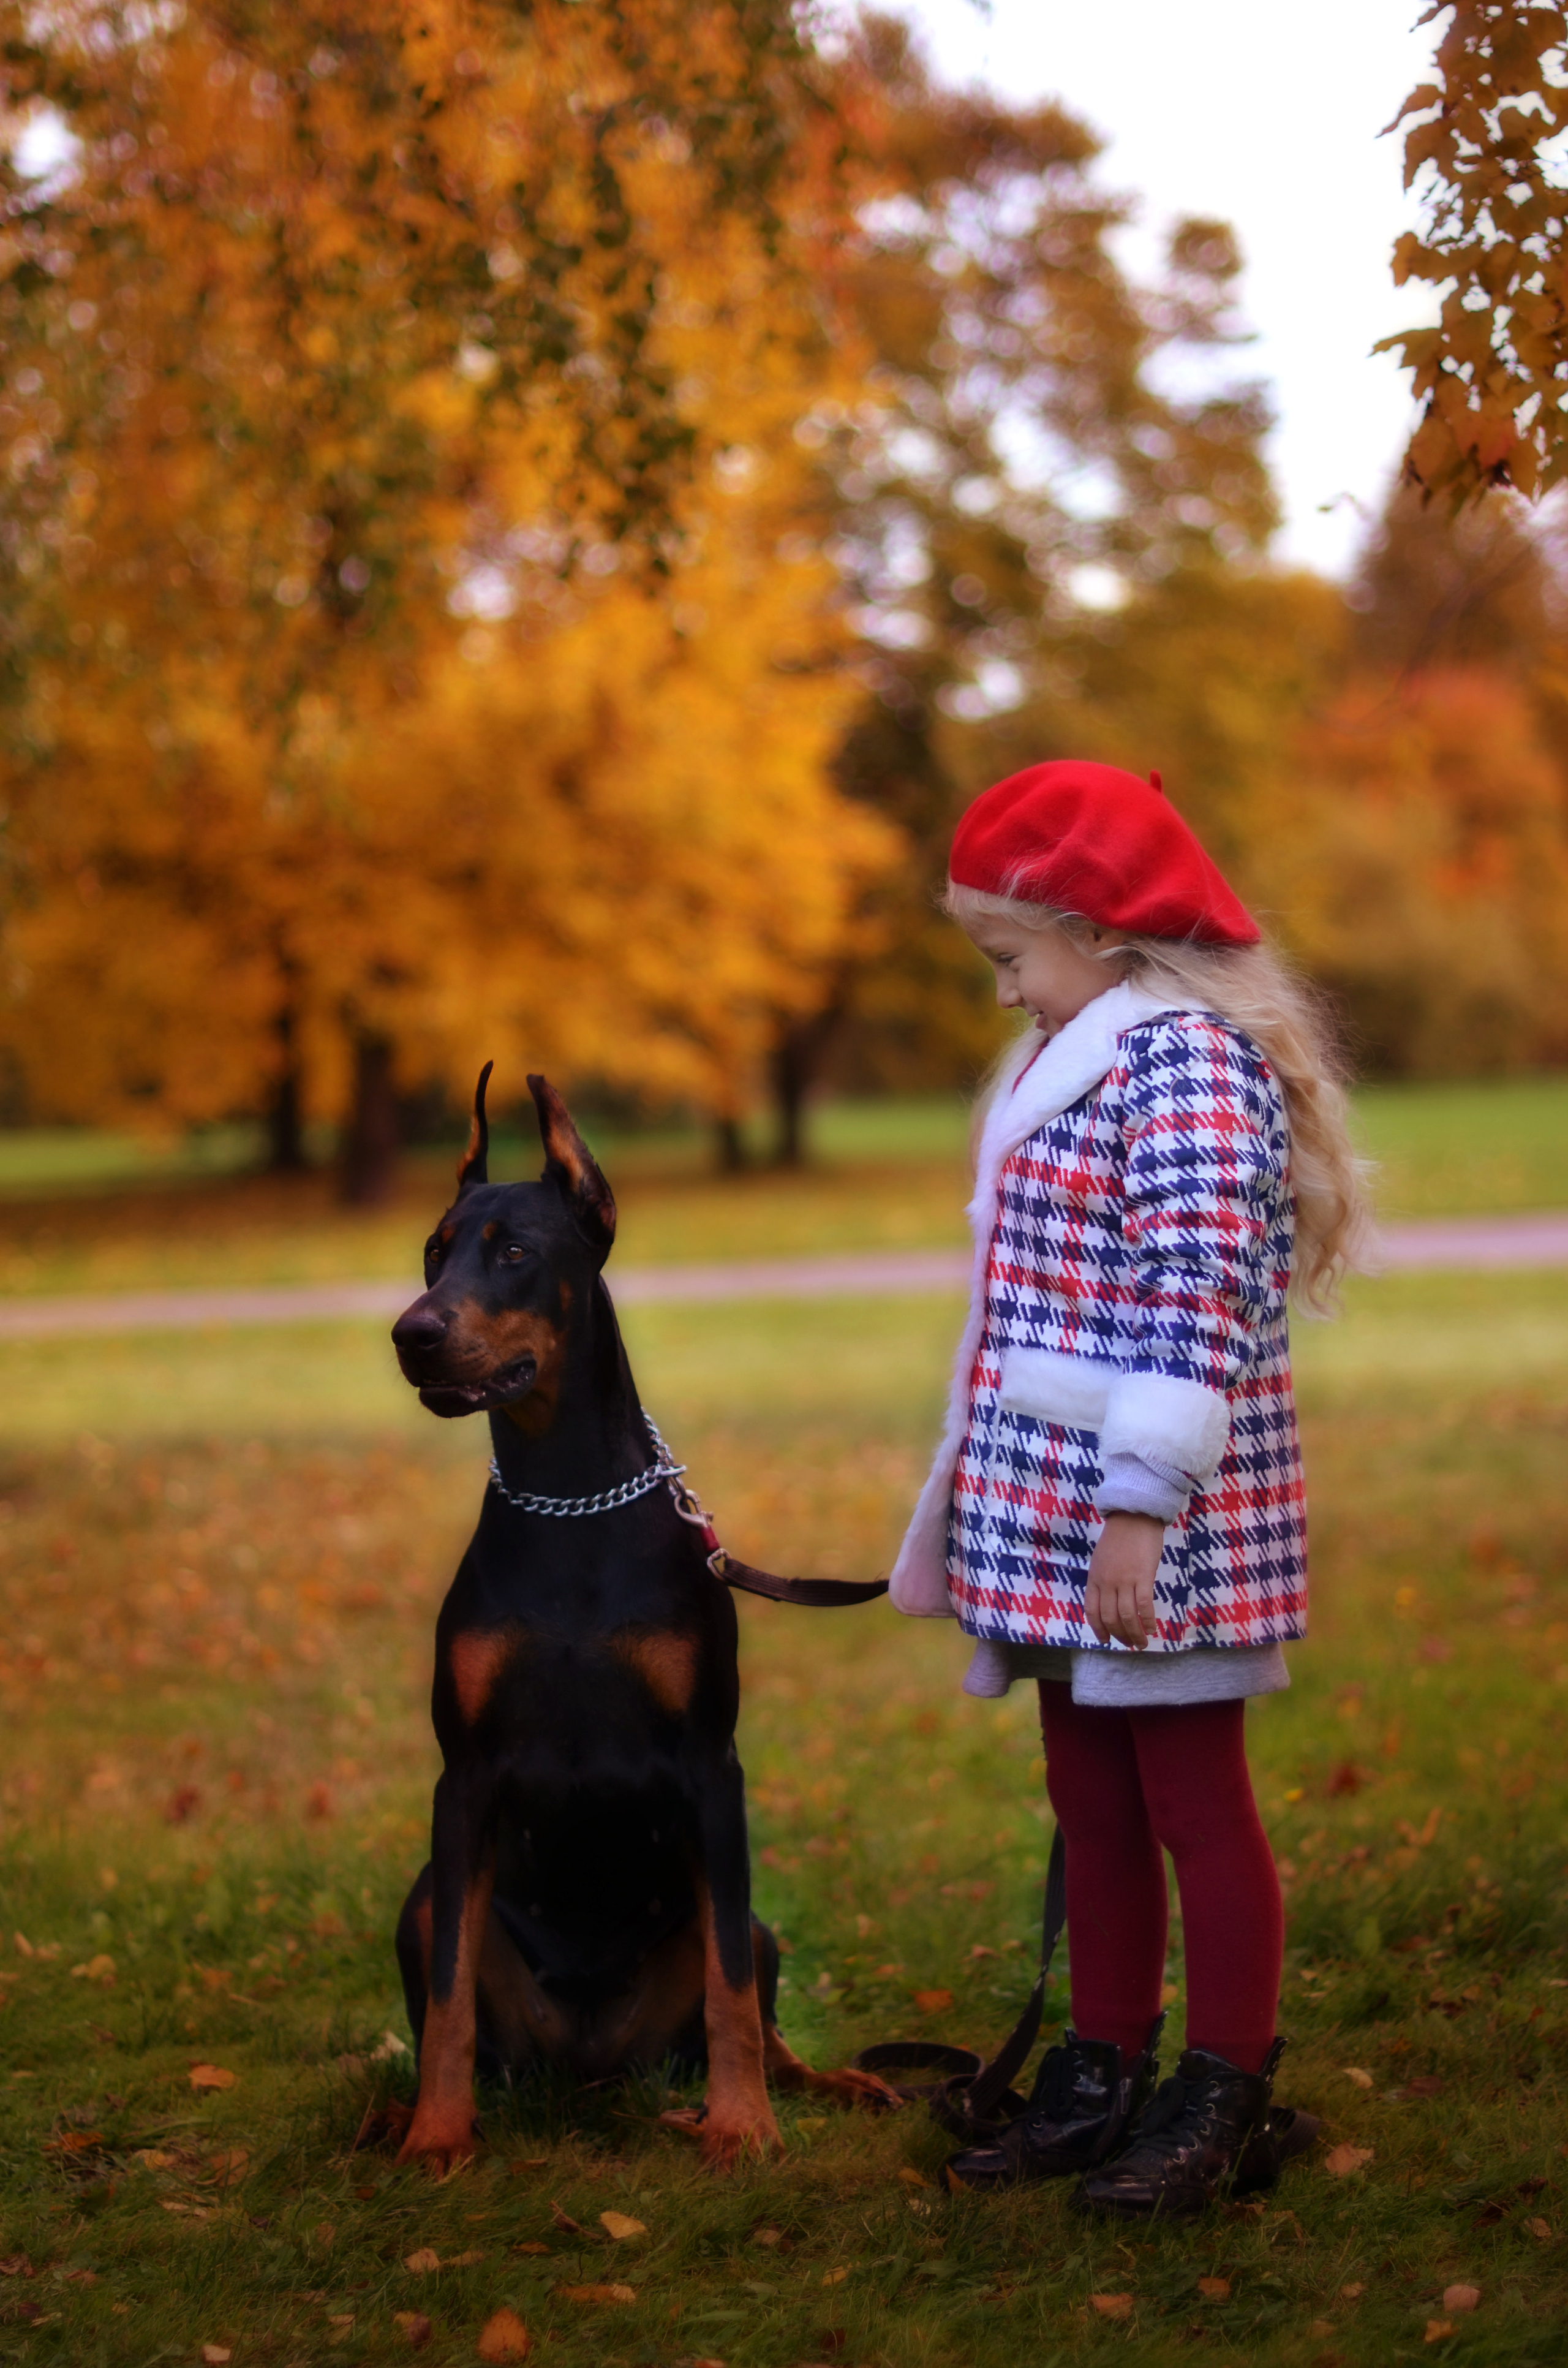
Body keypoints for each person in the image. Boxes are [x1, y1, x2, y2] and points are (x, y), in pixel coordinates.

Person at [891, 758, 1368, 2217]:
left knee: (1192, 1800)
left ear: (1096, 926)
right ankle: (1100, 2066)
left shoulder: (1184, 1065)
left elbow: (1195, 1293)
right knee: (1085, 1794)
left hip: (1161, 1518)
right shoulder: (1078, 1052)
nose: (1000, 991)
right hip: (1057, 1506)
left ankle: (1222, 2090)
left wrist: (1141, 1505)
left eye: (1007, 956)